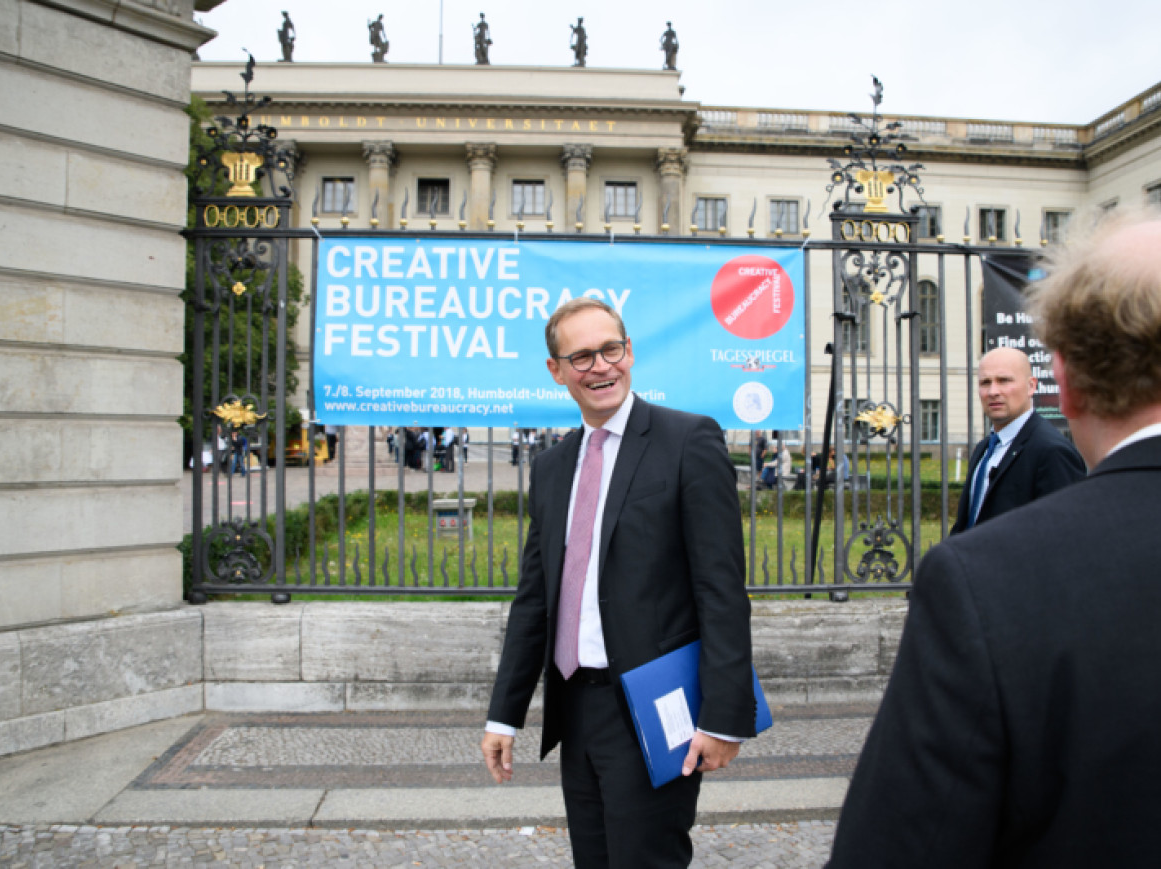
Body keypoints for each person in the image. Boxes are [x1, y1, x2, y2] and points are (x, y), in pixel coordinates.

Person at [826, 209, 1161, 867]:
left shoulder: (985, 582)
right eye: (982, 381)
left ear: (1058, 381)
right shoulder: (985, 457)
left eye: (1001, 380)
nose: (989, 392)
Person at [482, 298, 755, 868]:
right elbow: (535, 600)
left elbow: (721, 589)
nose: (602, 366)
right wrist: (504, 715)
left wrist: (725, 717)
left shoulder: (688, 440)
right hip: (575, 710)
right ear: (556, 371)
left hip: (656, 708)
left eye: (612, 349)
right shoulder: (554, 467)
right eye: (582, 357)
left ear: (629, 352)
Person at [950, 346, 1085, 533]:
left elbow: (1064, 535)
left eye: (1004, 380)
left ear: (1031, 386)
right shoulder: (984, 449)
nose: (993, 391)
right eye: (985, 382)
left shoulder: (1052, 451)